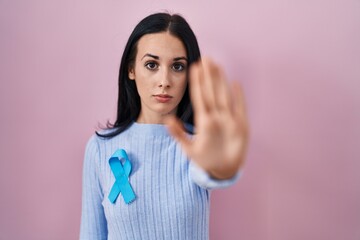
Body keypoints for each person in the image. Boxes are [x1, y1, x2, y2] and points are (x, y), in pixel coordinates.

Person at [80, 12, 249, 240]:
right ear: (131, 70)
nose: (164, 81)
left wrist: (224, 167)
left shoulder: (198, 145)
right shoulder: (100, 148)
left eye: (177, 67)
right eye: (151, 65)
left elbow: (212, 171)